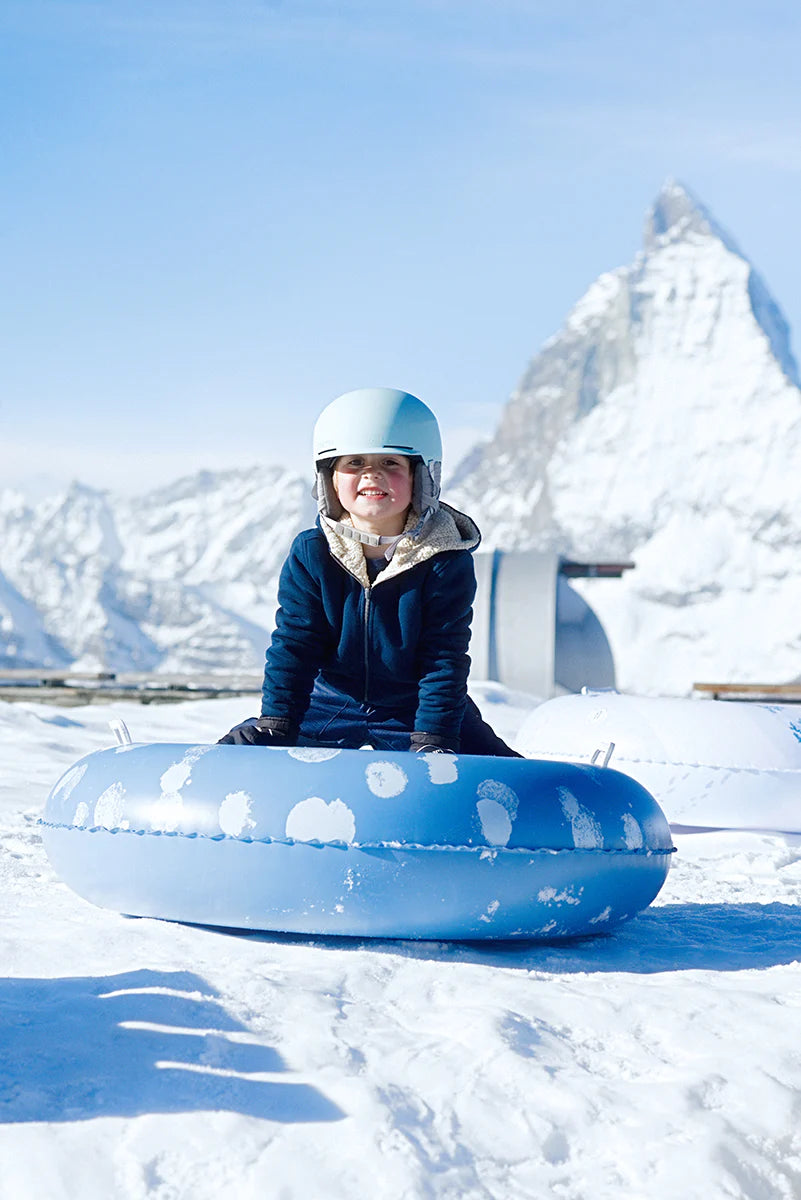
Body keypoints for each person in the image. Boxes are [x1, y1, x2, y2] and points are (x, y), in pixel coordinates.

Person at [219, 387, 520, 756]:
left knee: (506, 774)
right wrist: (277, 722)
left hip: (416, 708)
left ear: (422, 477)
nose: (371, 475)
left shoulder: (445, 559)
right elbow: (294, 645)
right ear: (329, 479)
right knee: (241, 752)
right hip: (328, 703)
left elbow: (443, 657)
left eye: (390, 463)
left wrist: (435, 740)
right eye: (355, 463)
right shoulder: (312, 553)